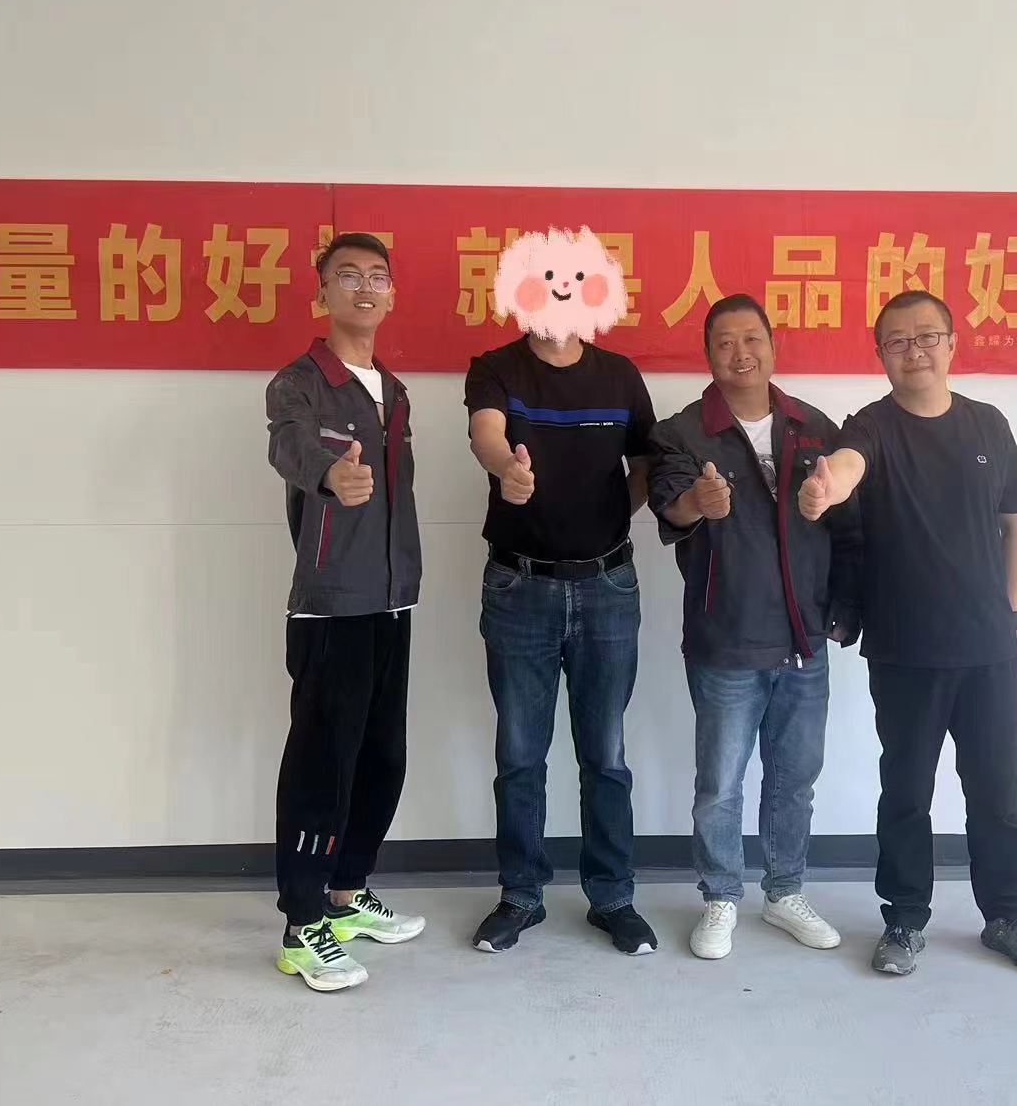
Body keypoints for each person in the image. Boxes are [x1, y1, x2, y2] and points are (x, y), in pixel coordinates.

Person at [798, 289, 1017, 978]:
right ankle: (904, 921)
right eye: (897, 340)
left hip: (987, 650)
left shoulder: (988, 425)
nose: (913, 350)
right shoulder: (872, 427)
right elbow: (848, 465)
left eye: (926, 337)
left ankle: (1008, 917)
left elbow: (1016, 526)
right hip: (905, 650)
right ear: (880, 353)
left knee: (996, 793)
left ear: (951, 344)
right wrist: (828, 488)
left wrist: (1011, 616)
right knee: (906, 794)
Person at [464, 228, 659, 956]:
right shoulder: (496, 368)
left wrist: (609, 517)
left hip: (607, 585)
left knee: (605, 754)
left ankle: (613, 898)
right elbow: (485, 432)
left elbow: (645, 462)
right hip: (520, 586)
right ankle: (521, 895)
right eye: (544, 279)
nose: (560, 292)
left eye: (574, 279)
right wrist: (506, 471)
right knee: (520, 754)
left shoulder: (619, 375)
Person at [649, 294, 862, 960]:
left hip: (804, 639)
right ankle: (720, 896)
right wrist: (697, 501)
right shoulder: (684, 432)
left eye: (752, 339)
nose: (741, 354)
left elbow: (848, 526)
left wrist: (842, 608)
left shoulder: (813, 426)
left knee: (794, 779)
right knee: (720, 786)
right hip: (727, 638)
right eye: (725, 343)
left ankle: (784, 892)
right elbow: (669, 505)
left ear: (773, 346)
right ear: (708, 355)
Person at [264, 233, 425, 992]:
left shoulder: (393, 389)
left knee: (382, 757)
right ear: (321, 292)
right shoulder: (299, 383)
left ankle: (345, 893)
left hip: (393, 597)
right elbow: (289, 449)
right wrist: (331, 474)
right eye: (348, 275)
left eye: (378, 277)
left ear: (392, 294)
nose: (365, 287)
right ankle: (302, 926)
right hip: (332, 603)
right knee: (322, 765)